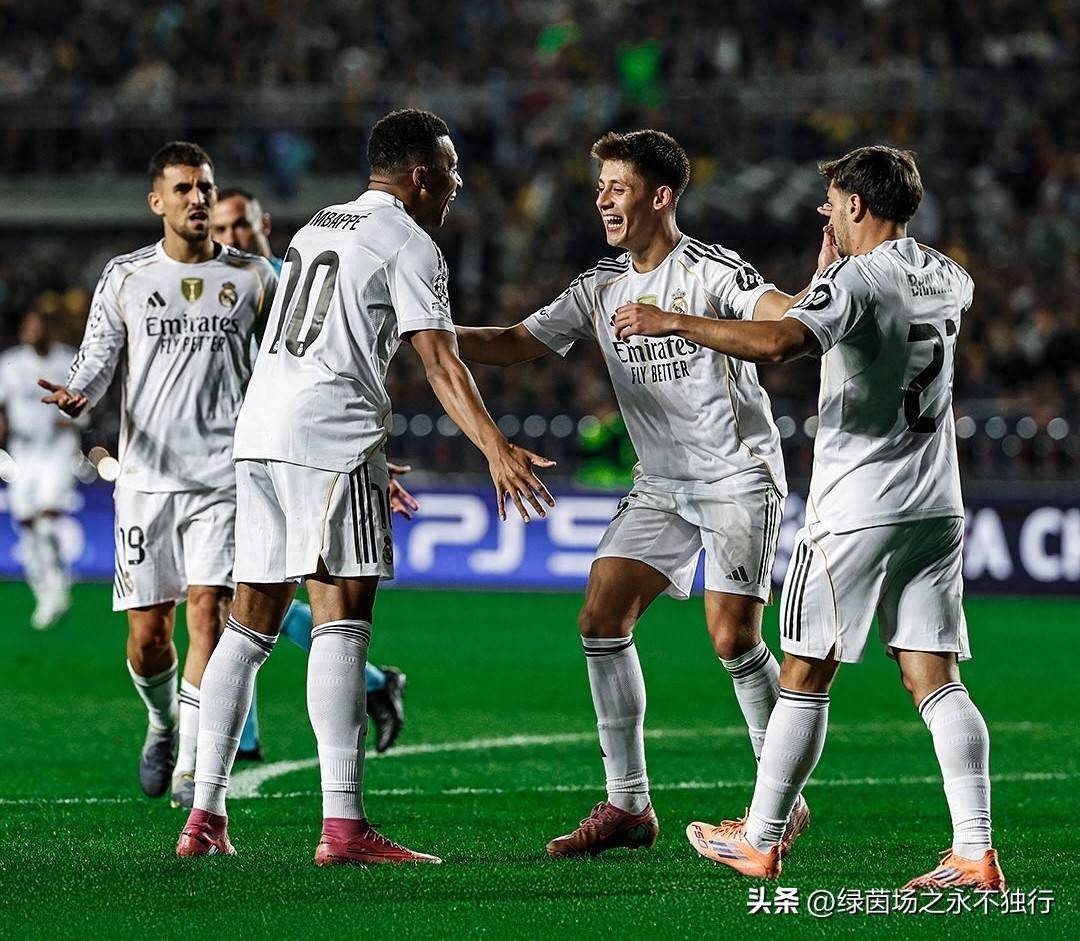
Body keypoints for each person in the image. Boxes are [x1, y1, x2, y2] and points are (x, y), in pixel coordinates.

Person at [615, 145, 1004, 891]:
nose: (825, 212)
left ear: (857, 204)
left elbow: (781, 340)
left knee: (803, 674)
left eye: (831, 202)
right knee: (934, 678)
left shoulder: (859, 279)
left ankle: (759, 838)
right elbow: (870, 319)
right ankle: (974, 850)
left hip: (856, 507)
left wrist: (674, 320)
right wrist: (827, 278)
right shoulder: (949, 275)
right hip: (935, 505)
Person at [176, 108, 554, 864]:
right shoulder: (410, 241)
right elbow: (440, 360)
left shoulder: (318, 226)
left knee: (248, 624)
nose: (456, 184)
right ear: (420, 174)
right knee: (341, 617)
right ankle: (343, 827)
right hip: (328, 436)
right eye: (449, 170)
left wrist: (368, 458)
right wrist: (496, 447)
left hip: (262, 432)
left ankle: (204, 816)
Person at [455, 129, 808, 858]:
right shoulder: (600, 285)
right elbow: (515, 342)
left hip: (736, 475)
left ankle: (784, 800)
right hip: (662, 485)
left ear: (661, 196)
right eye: (600, 188)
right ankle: (628, 804)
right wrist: (425, 335)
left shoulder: (711, 270)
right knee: (601, 615)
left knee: (732, 638)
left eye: (618, 187)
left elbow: (782, 316)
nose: (603, 200)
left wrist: (812, 291)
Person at [40, 142, 279, 810]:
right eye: (184, 189)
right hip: (147, 482)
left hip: (224, 477)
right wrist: (80, 394)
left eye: (205, 187)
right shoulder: (127, 276)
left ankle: (193, 774)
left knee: (210, 615)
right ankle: (163, 722)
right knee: (149, 638)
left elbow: (294, 361)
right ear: (157, 202)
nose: (198, 198)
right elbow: (97, 358)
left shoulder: (255, 278)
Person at [211, 186, 410, 759]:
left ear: (264, 224)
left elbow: (338, 371)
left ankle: (244, 744)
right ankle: (375, 683)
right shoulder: (219, 292)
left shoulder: (289, 281)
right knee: (241, 600)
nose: (231, 238)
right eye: (221, 230)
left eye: (241, 226)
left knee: (249, 601)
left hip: (294, 454)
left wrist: (358, 455)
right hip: (241, 452)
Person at [0, 310, 80, 629]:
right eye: (27, 326)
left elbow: (88, 399)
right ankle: (45, 592)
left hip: (58, 448)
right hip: (22, 450)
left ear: (49, 330)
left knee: (47, 522)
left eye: (37, 327)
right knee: (27, 524)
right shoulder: (10, 362)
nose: (31, 332)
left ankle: (57, 588)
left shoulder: (68, 360)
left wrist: (76, 417)